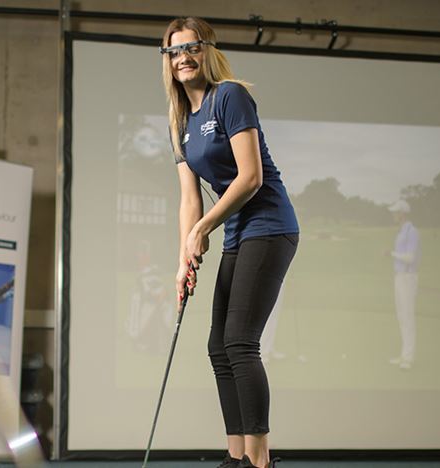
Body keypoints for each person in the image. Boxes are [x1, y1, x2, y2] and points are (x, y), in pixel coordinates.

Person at [161, 17, 299, 468]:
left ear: (207, 50)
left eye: (191, 47)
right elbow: (188, 201)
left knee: (240, 342)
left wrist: (202, 231)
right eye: (174, 51)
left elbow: (251, 177)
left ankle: (260, 462)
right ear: (167, 60)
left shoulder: (230, 97)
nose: (183, 57)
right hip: (239, 230)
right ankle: (236, 456)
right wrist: (184, 255)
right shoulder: (180, 119)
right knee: (218, 347)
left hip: (270, 224)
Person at [386, 199, 420, 370]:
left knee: (407, 316)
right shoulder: (401, 232)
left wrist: (392, 254)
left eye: (395, 212)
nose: (393, 214)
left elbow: (410, 257)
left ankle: (408, 357)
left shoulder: (411, 232)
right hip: (399, 276)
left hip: (408, 277)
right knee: (402, 316)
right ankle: (404, 355)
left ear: (402, 213)